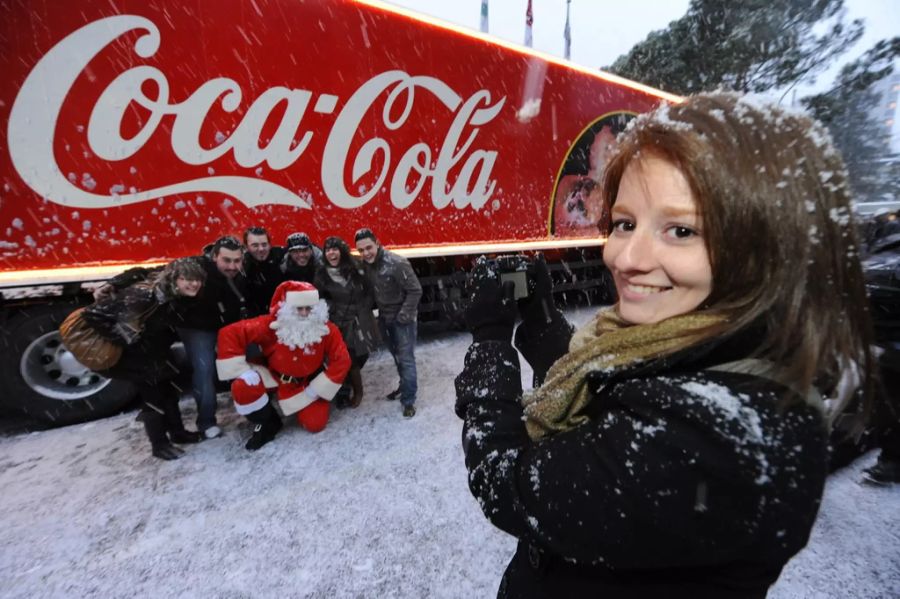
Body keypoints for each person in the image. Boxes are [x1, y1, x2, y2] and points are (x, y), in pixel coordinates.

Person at [454, 93, 875, 598]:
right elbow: (611, 386)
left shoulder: (711, 441)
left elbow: (507, 484)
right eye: (625, 223)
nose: (627, 257)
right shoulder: (722, 350)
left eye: (680, 230)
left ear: (771, 248)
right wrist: (541, 320)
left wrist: (490, 338)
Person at [88, 258, 207, 460]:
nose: (194, 284)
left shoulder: (169, 285)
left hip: (156, 350)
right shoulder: (142, 296)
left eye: (197, 280)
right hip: (138, 356)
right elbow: (93, 316)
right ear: (176, 278)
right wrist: (130, 340)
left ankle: (178, 433)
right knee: (153, 398)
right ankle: (159, 445)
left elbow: (140, 270)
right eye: (187, 279)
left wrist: (114, 283)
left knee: (169, 391)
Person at [215, 280, 351, 450]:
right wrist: (242, 371)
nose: (304, 313)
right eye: (298, 309)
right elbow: (229, 333)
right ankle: (268, 422)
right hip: (273, 375)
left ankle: (304, 402)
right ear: (287, 309)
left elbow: (342, 360)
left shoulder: (327, 329)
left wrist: (315, 389)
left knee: (315, 424)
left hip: (307, 382)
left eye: (309, 308)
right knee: (243, 386)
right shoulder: (271, 325)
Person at [175, 235, 250, 439]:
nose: (232, 266)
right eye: (227, 260)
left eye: (237, 260)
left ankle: (254, 407)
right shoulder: (196, 268)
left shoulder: (240, 273)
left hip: (226, 325)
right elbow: (151, 275)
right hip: (197, 327)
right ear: (214, 256)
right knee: (204, 368)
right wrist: (114, 284)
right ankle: (206, 421)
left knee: (249, 357)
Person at [355, 228, 422, 418]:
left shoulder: (397, 263)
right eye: (361, 250)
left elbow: (415, 290)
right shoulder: (367, 265)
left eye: (369, 247)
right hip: (385, 318)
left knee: (406, 359)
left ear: (377, 243)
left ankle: (408, 400)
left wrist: (403, 317)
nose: (366, 253)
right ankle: (404, 387)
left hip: (403, 321)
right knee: (397, 357)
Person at [314, 236, 379, 408]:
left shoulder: (357, 267)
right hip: (341, 321)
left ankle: (348, 384)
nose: (331, 252)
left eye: (335, 249)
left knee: (363, 354)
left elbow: (370, 289)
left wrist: (364, 307)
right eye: (328, 249)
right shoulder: (321, 274)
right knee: (350, 358)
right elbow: (319, 298)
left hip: (361, 318)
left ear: (341, 251)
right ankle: (357, 390)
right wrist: (332, 308)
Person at [243, 226, 286, 316]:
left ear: (270, 244)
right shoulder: (241, 265)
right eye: (255, 245)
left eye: (264, 244)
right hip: (255, 318)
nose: (261, 249)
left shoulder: (281, 257)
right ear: (246, 247)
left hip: (283, 314)